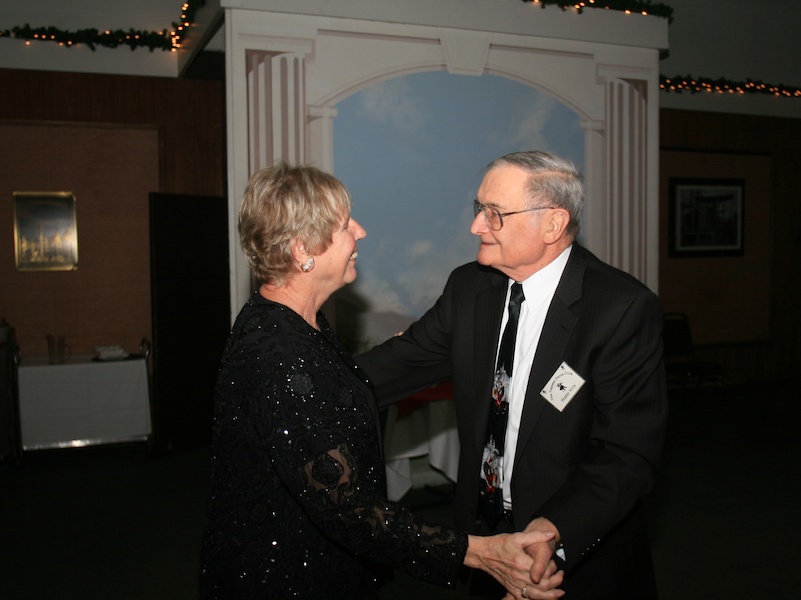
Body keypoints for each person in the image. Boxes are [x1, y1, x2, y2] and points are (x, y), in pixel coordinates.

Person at [199, 162, 564, 599]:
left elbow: (328, 398)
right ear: (302, 250)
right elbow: (348, 510)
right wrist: (477, 553)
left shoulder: (301, 325)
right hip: (288, 577)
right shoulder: (277, 352)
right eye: (344, 224)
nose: (360, 231)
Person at [356, 151, 668, 599]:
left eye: (495, 214)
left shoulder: (619, 309)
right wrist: (297, 376)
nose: (476, 226)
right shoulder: (470, 287)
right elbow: (399, 363)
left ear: (552, 225)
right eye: (479, 209)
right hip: (490, 544)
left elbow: (628, 454)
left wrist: (552, 533)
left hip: (578, 558)